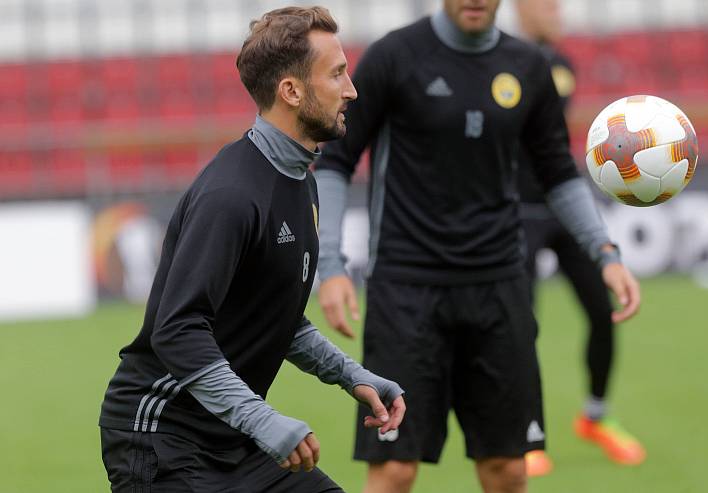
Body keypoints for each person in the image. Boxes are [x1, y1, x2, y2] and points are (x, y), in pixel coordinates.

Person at [314, 1, 640, 492]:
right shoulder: (395, 56)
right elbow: (336, 161)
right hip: (405, 291)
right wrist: (330, 264)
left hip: (498, 289)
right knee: (395, 471)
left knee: (507, 470)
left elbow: (558, 172)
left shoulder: (528, 66)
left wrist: (604, 252)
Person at [98, 7, 406, 492]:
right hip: (162, 441)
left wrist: (353, 376)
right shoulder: (232, 195)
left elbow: (277, 315)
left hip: (234, 439)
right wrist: (263, 420)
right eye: (338, 74)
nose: (352, 91)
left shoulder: (299, 179)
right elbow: (176, 330)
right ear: (291, 90)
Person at [514, 0, 646, 476]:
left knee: (602, 308)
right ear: (520, 9)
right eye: (546, 4)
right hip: (516, 211)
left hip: (563, 207)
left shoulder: (560, 63)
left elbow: (543, 129)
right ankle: (527, 432)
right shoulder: (500, 59)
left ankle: (594, 416)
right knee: (522, 327)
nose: (557, 11)